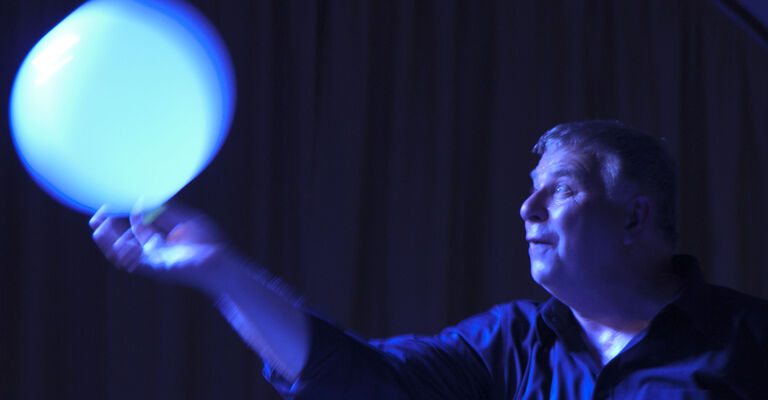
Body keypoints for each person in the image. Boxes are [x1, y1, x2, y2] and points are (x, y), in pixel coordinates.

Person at [90, 121, 768, 399]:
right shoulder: (510, 344)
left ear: (635, 217)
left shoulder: (753, 342)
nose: (526, 209)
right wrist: (220, 270)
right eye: (528, 192)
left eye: (560, 191)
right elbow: (357, 378)